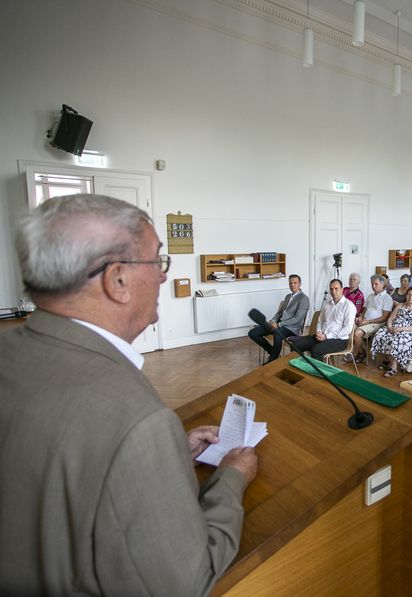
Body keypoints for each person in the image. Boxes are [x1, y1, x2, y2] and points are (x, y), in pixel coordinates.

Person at [0, 194, 258, 595]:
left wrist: (162, 455)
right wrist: (231, 478)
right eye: (158, 261)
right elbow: (185, 582)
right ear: (117, 279)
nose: (163, 276)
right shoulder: (140, 423)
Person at [248, 273, 310, 364]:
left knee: (278, 334)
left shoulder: (304, 299)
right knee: (253, 333)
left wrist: (279, 324)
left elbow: (297, 319)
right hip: (278, 324)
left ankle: (272, 360)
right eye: (290, 283)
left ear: (300, 284)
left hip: (292, 328)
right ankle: (274, 353)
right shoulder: (288, 296)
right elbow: (279, 313)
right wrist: (273, 320)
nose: (292, 285)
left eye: (295, 283)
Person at [291, 278, 357, 360]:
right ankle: (299, 369)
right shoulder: (327, 305)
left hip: (339, 339)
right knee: (296, 345)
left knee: (316, 350)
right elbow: (320, 322)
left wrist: (326, 336)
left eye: (336, 289)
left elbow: (347, 329)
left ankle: (318, 372)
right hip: (322, 336)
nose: (333, 291)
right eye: (331, 289)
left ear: (342, 290)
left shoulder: (349, 306)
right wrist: (319, 332)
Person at [370, 287, 412, 376]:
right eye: (409, 295)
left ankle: (393, 367)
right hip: (395, 327)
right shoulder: (400, 305)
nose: (411, 297)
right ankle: (386, 359)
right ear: (406, 296)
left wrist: (401, 329)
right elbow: (390, 318)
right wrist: (390, 327)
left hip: (409, 332)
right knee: (380, 335)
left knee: (396, 340)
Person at [350, 274, 393, 363]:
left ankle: (356, 353)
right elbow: (364, 311)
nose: (373, 286)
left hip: (377, 323)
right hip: (365, 321)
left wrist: (368, 321)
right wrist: (360, 317)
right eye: (372, 284)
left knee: (357, 333)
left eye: (376, 284)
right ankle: (362, 352)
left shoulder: (387, 298)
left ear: (382, 285)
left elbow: (384, 317)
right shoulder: (370, 296)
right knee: (349, 330)